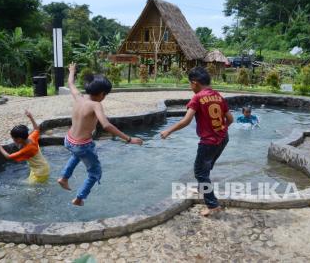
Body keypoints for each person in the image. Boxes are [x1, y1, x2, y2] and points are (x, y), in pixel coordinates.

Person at [58, 63, 143, 206]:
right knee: (95, 173)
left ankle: (64, 178)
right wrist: (129, 139)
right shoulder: (96, 105)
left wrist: (71, 71)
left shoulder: (79, 97)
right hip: (82, 145)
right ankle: (79, 198)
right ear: (102, 93)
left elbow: (70, 83)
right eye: (105, 95)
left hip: (68, 140)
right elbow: (106, 125)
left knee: (76, 154)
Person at [160, 67, 233, 217]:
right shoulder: (218, 96)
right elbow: (230, 119)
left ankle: (212, 205)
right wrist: (220, 130)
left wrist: (168, 130)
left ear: (195, 83)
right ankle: (203, 189)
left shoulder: (197, 97)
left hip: (209, 142)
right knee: (205, 169)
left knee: (200, 172)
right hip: (223, 138)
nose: (190, 87)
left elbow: (186, 121)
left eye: (190, 84)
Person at [0, 110, 50, 183]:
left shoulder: (27, 149)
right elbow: (36, 129)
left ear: (19, 139)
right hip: (41, 167)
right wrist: (30, 117)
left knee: (32, 190)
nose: (12, 140)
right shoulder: (31, 137)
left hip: (40, 172)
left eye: (13, 138)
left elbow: (8, 157)